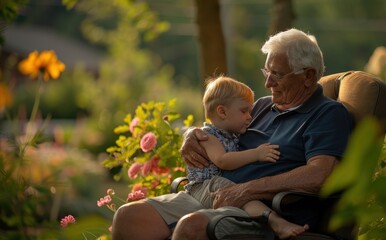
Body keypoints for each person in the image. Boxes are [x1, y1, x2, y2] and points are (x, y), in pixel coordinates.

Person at [111, 28, 354, 240]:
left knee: (191, 227)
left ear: (308, 76)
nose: (268, 83)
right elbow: (218, 124)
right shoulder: (259, 106)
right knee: (128, 217)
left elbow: (320, 174)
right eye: (266, 72)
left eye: (277, 74)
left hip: (261, 212)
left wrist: (247, 190)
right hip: (213, 193)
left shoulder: (327, 114)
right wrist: (193, 134)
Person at [183, 75, 309, 238]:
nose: (250, 116)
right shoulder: (208, 137)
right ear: (222, 112)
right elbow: (223, 161)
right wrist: (256, 154)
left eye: (250, 110)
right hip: (203, 187)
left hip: (216, 189)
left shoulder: (232, 135)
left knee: (238, 192)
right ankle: (275, 222)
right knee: (239, 193)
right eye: (244, 111)